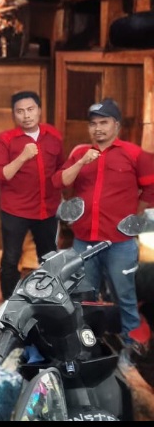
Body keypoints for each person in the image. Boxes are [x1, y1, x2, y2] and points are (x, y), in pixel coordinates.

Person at [53, 98, 154, 345]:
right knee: (84, 298)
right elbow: (59, 181)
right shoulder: (79, 152)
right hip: (84, 241)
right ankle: (86, 346)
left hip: (119, 242)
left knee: (125, 298)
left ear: (116, 125)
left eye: (104, 122)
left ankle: (130, 350)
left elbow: (151, 187)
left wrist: (137, 214)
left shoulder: (134, 154)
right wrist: (81, 162)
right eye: (93, 124)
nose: (97, 128)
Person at [0, 91, 65, 300]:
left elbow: (61, 169)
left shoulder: (54, 135)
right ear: (14, 115)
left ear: (39, 110)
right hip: (16, 210)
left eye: (31, 109)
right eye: (20, 111)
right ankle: (9, 303)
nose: (26, 115)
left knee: (49, 258)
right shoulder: (6, 139)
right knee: (11, 258)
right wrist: (22, 157)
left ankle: (49, 301)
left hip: (46, 209)